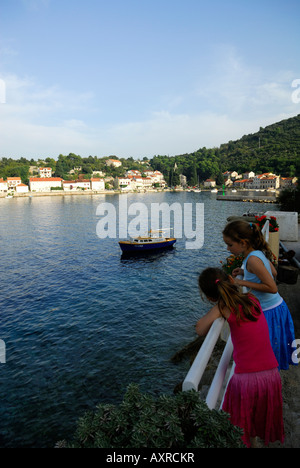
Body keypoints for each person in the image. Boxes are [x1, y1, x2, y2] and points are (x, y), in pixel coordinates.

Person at [196, 267, 284, 448]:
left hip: (246, 379)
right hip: (271, 374)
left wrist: (216, 308)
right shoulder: (252, 298)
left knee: (239, 426)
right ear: (229, 279)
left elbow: (200, 329)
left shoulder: (222, 307)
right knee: (257, 417)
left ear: (210, 297)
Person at [222, 219, 296, 370]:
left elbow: (272, 287)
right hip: (277, 307)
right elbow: (273, 272)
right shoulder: (257, 253)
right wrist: (245, 272)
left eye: (230, 244)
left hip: (269, 311)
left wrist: (241, 282)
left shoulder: (253, 259)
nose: (228, 249)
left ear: (243, 243)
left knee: (267, 354)